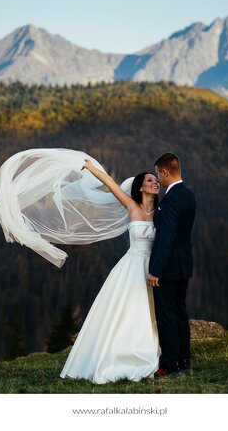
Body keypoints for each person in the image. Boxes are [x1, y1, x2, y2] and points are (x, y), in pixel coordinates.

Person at [59, 159, 161, 383]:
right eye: (150, 180)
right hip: (132, 267)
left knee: (150, 312)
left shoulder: (161, 212)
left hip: (153, 268)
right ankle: (118, 353)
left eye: (156, 180)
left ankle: (147, 350)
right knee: (127, 311)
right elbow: (111, 184)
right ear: (141, 186)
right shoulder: (132, 207)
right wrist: (91, 167)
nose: (155, 183)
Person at [147, 152, 197, 376]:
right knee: (179, 312)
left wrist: (156, 270)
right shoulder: (188, 195)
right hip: (183, 264)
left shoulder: (172, 199)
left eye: (158, 174)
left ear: (165, 171)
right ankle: (184, 358)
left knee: (166, 314)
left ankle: (169, 363)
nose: (158, 179)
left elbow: (166, 237)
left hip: (167, 267)